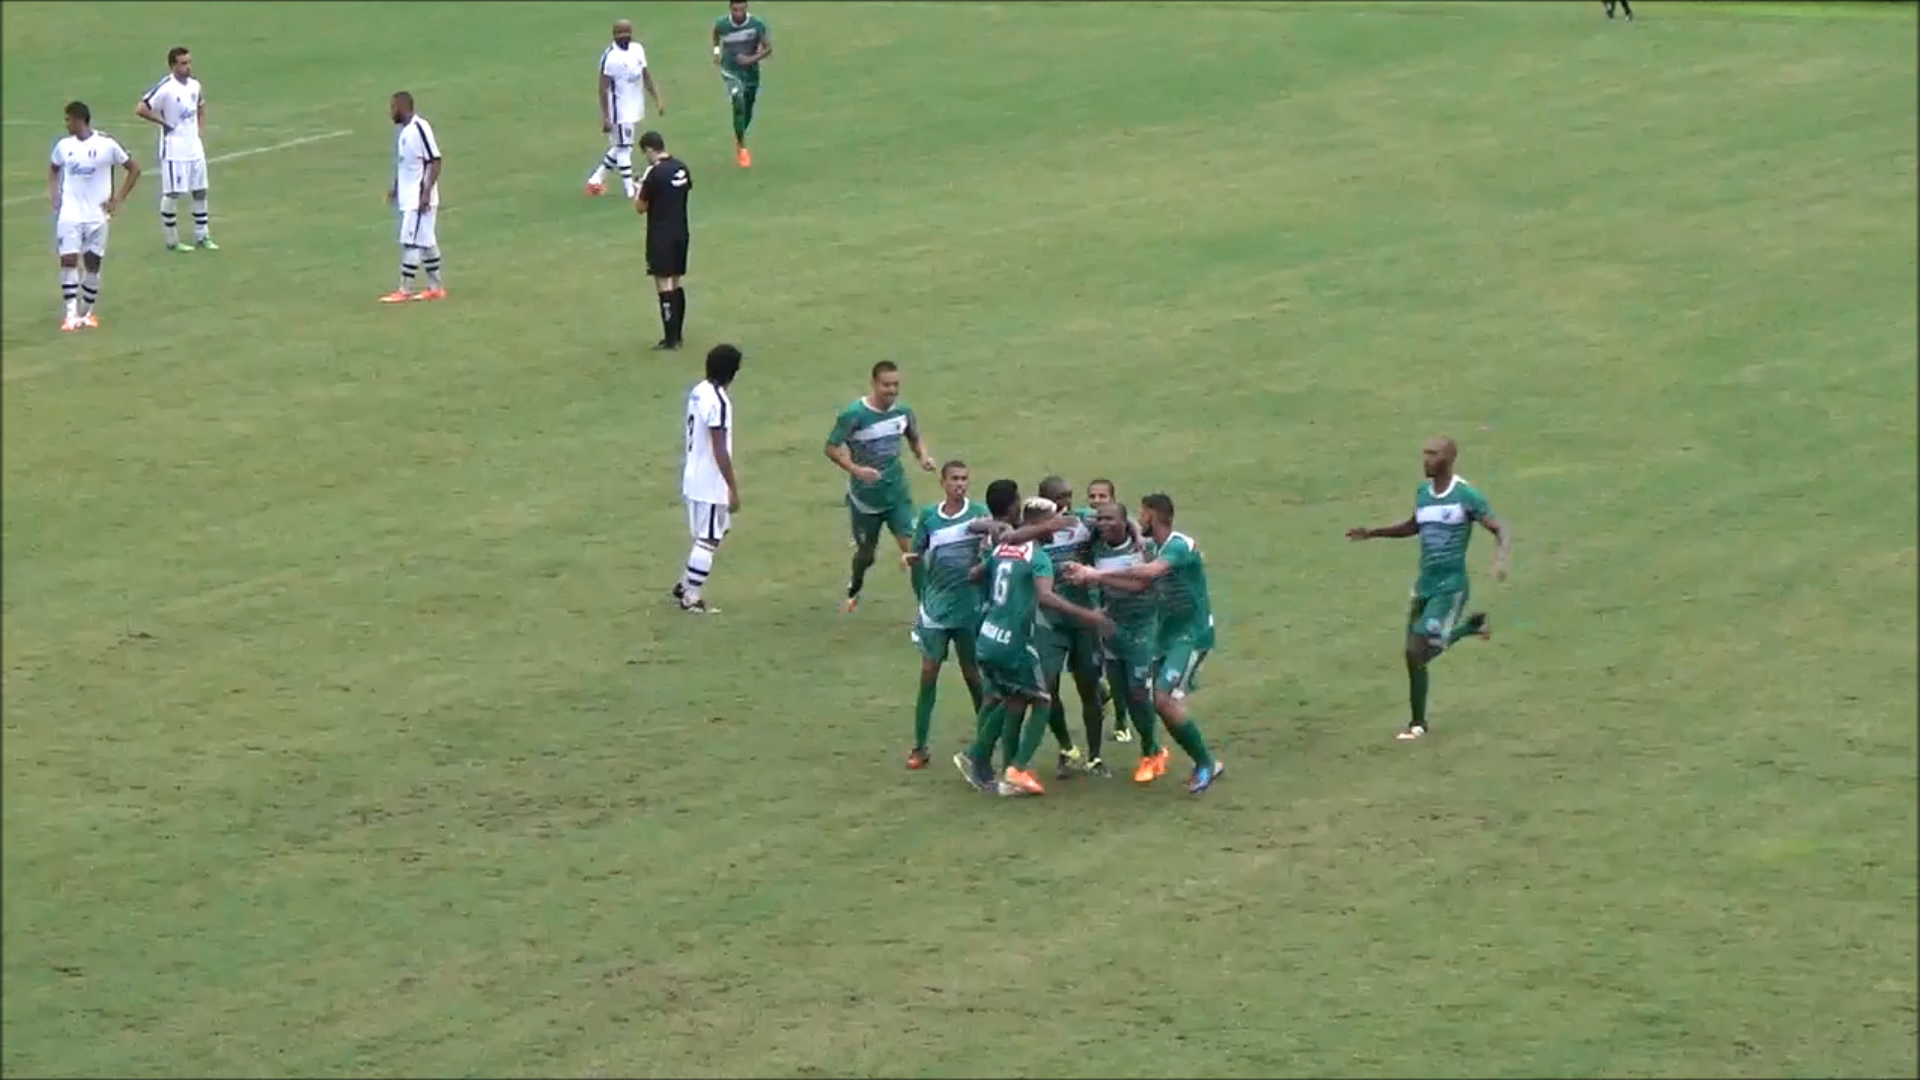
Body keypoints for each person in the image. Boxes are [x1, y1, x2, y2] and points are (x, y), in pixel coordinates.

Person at [1345, 436, 1510, 741]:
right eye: (1424, 454)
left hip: (1450, 588)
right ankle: (1417, 723)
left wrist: (1501, 557)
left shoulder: (1465, 495)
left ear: (1448, 459)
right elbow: (1413, 525)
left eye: (1432, 455)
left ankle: (1468, 628)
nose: (1425, 460)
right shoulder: (1423, 494)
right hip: (1425, 585)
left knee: (1417, 646)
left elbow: (1498, 527)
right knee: (1414, 657)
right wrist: (1372, 533)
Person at [955, 490, 1111, 797]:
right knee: (1041, 699)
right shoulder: (1038, 558)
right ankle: (1016, 770)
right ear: (1045, 525)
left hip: (987, 637)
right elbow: (1046, 596)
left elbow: (975, 576)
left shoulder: (1002, 548)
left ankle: (977, 759)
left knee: (1011, 698)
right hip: (1014, 641)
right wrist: (1090, 616)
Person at [1065, 493, 1223, 794]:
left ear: (1153, 514)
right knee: (1158, 700)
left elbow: (1150, 573)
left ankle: (1206, 763)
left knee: (1162, 700)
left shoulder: (1178, 545)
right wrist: (1094, 580)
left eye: (1142, 513)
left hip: (1191, 635)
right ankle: (1181, 756)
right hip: (1167, 635)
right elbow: (1139, 584)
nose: (1139, 519)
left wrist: (1097, 572)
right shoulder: (1158, 548)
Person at [824, 361, 936, 613]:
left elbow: (914, 438)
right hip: (866, 500)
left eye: (895, 385)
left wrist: (923, 457)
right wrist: (856, 470)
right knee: (866, 554)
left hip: (897, 495)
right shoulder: (854, 415)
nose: (891, 390)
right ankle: (856, 585)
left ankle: (927, 608)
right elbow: (831, 448)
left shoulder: (903, 412)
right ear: (873, 384)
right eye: (886, 385)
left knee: (915, 552)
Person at [900, 460, 989, 768]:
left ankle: (986, 739)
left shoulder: (979, 514)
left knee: (973, 675)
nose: (960, 484)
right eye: (954, 479)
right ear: (943, 482)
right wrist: (920, 589)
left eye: (964, 479)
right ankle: (919, 746)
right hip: (937, 609)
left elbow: (990, 553)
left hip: (968, 609)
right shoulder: (928, 517)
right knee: (928, 673)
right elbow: (917, 554)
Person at [1033, 475, 1107, 777]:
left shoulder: (1083, 524)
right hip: (1049, 622)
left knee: (1088, 687)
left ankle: (1095, 756)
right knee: (1047, 688)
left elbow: (1118, 518)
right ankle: (1066, 748)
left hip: (1082, 619)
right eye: (1058, 498)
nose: (1066, 503)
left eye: (1068, 496)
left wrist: (1137, 536)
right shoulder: (1033, 532)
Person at [1088, 500, 1166, 774]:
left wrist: (1098, 577)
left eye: (1110, 519)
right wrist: (1097, 610)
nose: (1103, 523)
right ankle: (1150, 748)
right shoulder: (1094, 547)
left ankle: (1151, 749)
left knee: (1138, 690)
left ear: (1124, 521)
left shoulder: (1144, 548)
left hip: (1143, 626)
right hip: (1112, 628)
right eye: (1100, 519)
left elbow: (1142, 584)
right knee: (1121, 690)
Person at [48, 101, 140, 332]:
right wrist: (53, 195)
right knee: (68, 260)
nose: (66, 124)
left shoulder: (106, 145)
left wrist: (118, 199)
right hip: (70, 214)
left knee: (92, 265)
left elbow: (134, 168)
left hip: (97, 216)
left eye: (68, 119)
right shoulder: (63, 146)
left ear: (80, 120)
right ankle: (70, 314)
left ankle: (86, 313)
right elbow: (53, 168)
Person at [676, 345, 743, 613]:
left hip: (693, 474)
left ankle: (685, 582)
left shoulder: (698, 391)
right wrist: (732, 486)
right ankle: (691, 596)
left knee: (716, 529)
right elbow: (719, 447)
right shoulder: (719, 402)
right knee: (709, 538)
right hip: (709, 479)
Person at [134, 46, 215, 251]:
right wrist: (164, 122)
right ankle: (172, 241)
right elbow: (141, 108)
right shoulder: (166, 87)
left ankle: (202, 236)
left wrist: (200, 130)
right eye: (183, 63)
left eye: (189, 62)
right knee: (172, 193)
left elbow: (201, 105)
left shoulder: (195, 85)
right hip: (174, 150)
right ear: (173, 66)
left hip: (194, 148)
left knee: (200, 191)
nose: (188, 67)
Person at [587, 20, 665, 199]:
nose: (624, 36)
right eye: (620, 33)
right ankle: (630, 190)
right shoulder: (610, 57)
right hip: (619, 110)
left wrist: (657, 98)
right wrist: (606, 116)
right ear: (614, 35)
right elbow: (603, 87)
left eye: (626, 32)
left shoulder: (637, 49)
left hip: (634, 106)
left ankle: (595, 181)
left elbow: (645, 75)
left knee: (620, 145)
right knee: (624, 148)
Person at [382, 92, 445, 303]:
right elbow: (406, 166)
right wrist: (396, 189)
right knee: (426, 243)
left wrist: (425, 194)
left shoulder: (420, 128)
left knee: (410, 242)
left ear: (402, 107)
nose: (391, 112)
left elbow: (435, 161)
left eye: (393, 107)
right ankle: (436, 288)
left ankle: (404, 290)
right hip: (410, 198)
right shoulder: (405, 133)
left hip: (419, 201)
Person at [632, 130, 693, 350]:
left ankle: (670, 340)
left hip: (660, 235)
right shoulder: (681, 167)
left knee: (663, 284)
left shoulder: (654, 173)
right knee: (676, 282)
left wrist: (638, 188)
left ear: (649, 149)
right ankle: (678, 334)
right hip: (681, 232)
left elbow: (640, 207)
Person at [1085, 478, 1132, 743]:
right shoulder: (1088, 526)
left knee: (1116, 666)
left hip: (1114, 610)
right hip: (1090, 607)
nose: (1096, 501)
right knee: (1093, 666)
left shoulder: (1122, 528)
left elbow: (1135, 528)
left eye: (1102, 496)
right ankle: (1103, 694)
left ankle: (1121, 721)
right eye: (1092, 496)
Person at [712, 0, 772, 168]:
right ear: (730, 9)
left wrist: (750, 59)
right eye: (735, 10)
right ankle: (742, 146)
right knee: (738, 99)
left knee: (748, 107)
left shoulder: (756, 25)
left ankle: (740, 134)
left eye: (742, 9)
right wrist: (716, 52)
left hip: (751, 73)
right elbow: (716, 35)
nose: (738, 13)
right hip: (730, 70)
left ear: (747, 8)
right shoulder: (722, 24)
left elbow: (768, 48)